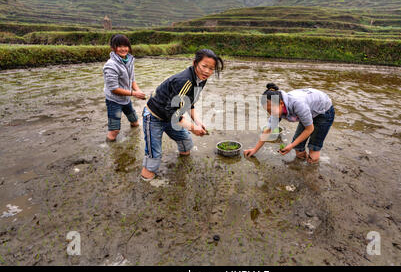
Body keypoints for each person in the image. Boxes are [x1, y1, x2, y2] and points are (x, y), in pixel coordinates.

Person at [141, 49, 224, 181]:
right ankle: (147, 183)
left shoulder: (201, 79)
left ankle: (181, 169)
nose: (207, 71)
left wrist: (197, 122)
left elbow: (190, 101)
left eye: (211, 68)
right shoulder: (184, 81)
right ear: (195, 63)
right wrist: (192, 127)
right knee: (154, 156)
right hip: (154, 116)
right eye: (204, 66)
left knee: (186, 145)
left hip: (172, 115)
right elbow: (170, 113)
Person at [244, 83, 335, 164]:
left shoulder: (298, 104)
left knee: (313, 148)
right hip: (309, 109)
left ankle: (312, 168)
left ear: (281, 103)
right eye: (268, 111)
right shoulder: (276, 108)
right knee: (298, 148)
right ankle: (301, 166)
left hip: (324, 112)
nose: (271, 113)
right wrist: (255, 149)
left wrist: (290, 146)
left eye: (272, 110)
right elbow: (268, 130)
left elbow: (309, 129)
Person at [103, 34, 146, 142]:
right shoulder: (111, 65)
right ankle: (110, 148)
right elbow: (114, 89)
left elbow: (132, 79)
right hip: (114, 101)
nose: (123, 49)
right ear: (113, 48)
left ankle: (134, 140)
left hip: (126, 99)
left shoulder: (129, 60)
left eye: (125, 46)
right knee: (114, 131)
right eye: (119, 46)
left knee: (135, 122)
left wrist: (138, 91)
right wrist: (133, 94)